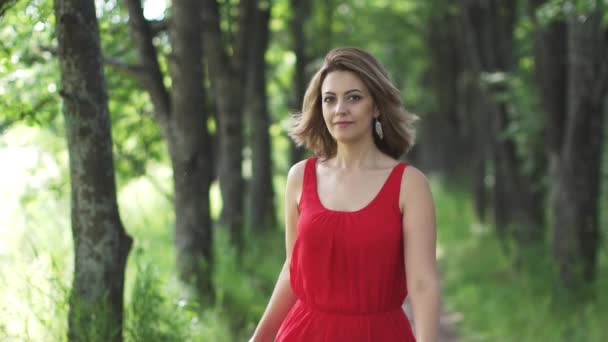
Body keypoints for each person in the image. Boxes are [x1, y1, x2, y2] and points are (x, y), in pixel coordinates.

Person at [249, 47, 440, 342]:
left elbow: (422, 283)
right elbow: (293, 270)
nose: (340, 109)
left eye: (354, 97)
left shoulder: (409, 185)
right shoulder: (300, 177)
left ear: (376, 106)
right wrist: (260, 337)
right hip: (304, 333)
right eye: (330, 99)